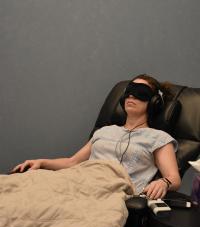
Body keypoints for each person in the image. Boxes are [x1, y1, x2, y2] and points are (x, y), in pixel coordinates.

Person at [11, 74, 181, 199]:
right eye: (129, 91)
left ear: (153, 102)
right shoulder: (104, 131)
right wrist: (41, 162)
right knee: (18, 189)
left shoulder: (158, 138)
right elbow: (73, 162)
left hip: (107, 193)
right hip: (76, 180)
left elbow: (173, 178)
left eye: (140, 92)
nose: (131, 95)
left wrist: (163, 182)